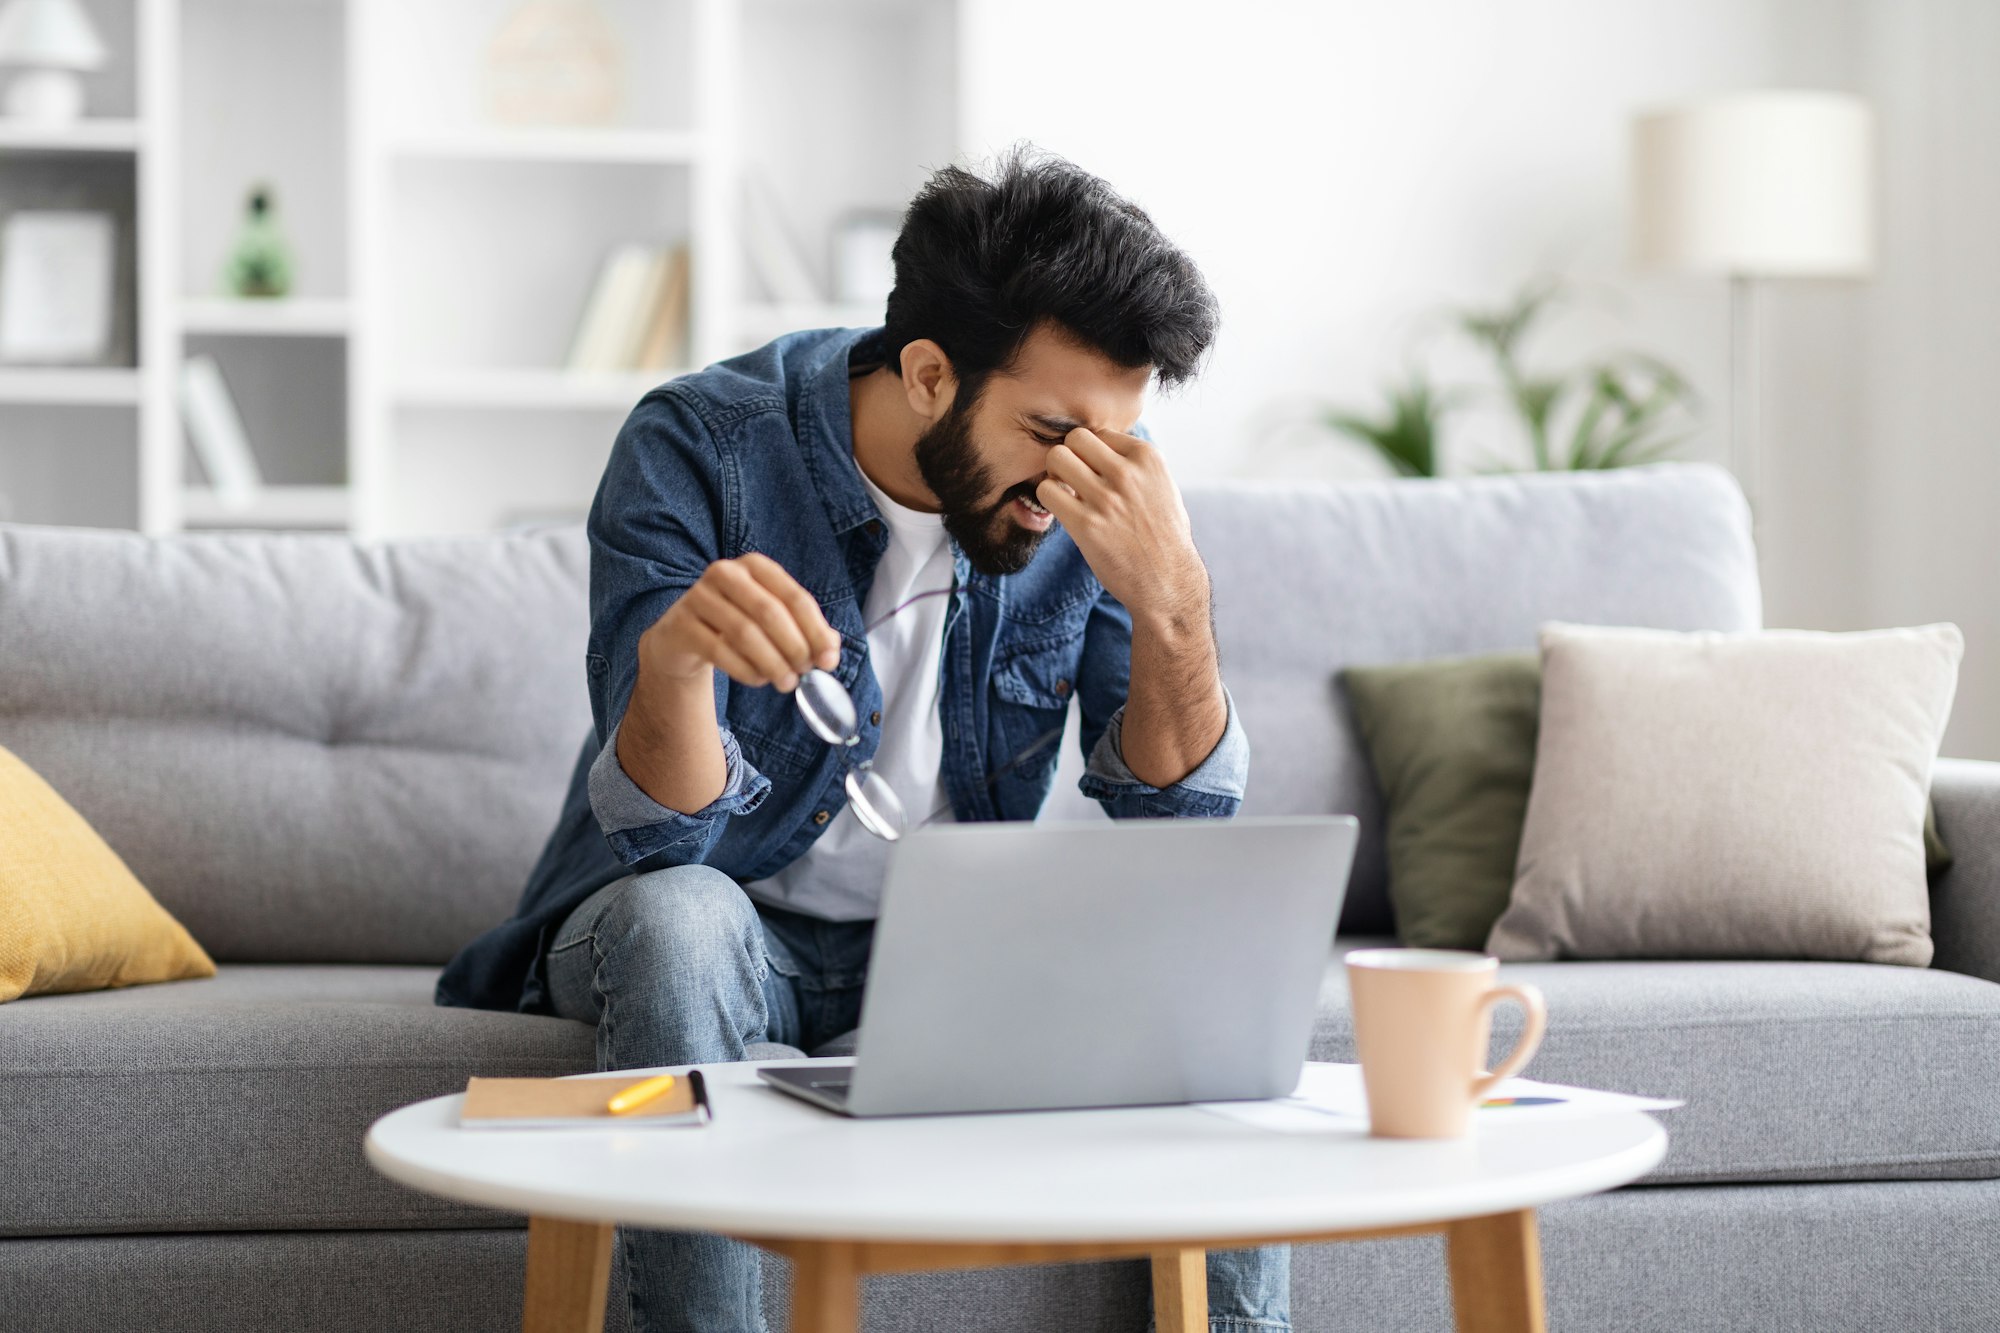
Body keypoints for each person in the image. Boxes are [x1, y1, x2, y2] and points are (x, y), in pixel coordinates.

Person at [435, 145, 1284, 1333]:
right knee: (681, 919)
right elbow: (663, 840)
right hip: (714, 925)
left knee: (1199, 936)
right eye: (1049, 430)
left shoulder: (1086, 495)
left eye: (1113, 439)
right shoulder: (700, 446)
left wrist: (1173, 603)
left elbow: (1179, 820)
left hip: (948, 945)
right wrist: (675, 664)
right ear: (929, 374)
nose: (1075, 480)